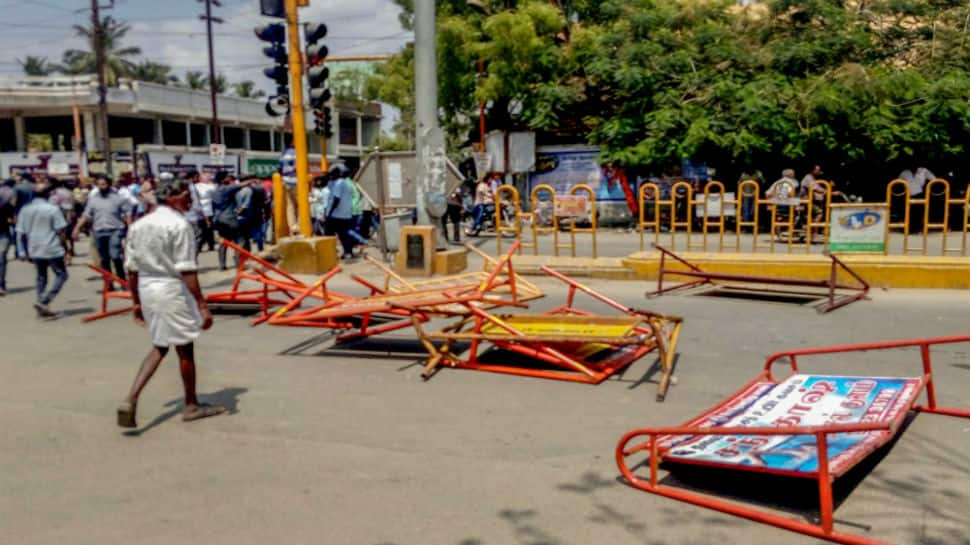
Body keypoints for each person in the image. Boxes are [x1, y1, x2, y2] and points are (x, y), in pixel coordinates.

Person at [116, 176, 225, 429]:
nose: (190, 200)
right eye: (186, 195)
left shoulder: (139, 225)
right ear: (173, 196)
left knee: (161, 344)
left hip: (147, 287)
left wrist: (135, 302)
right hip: (170, 288)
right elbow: (187, 269)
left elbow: (130, 269)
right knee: (182, 348)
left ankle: (134, 399)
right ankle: (189, 405)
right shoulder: (179, 225)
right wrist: (202, 305)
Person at [15, 183, 71, 319]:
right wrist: (66, 248)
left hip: (34, 248)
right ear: (49, 194)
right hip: (52, 247)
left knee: (41, 277)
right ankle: (44, 301)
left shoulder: (25, 210)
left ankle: (42, 307)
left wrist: (21, 251)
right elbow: (61, 231)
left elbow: (19, 233)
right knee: (62, 275)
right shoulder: (53, 209)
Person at [73, 174, 132, 286]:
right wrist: (77, 228)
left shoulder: (118, 199)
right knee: (104, 259)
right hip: (99, 231)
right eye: (99, 185)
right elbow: (86, 215)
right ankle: (108, 284)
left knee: (114, 255)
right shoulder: (93, 200)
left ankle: (122, 280)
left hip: (115, 230)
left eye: (104, 184)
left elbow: (127, 214)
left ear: (109, 184)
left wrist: (131, 229)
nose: (101, 187)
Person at [324, 163, 356, 259]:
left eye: (332, 174)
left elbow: (336, 199)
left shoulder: (339, 183)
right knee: (344, 235)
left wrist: (329, 213)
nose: (330, 176)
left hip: (336, 214)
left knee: (328, 233)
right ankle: (348, 252)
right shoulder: (347, 183)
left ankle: (331, 253)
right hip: (346, 214)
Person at [0, 178, 16, 296]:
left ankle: (1, 284)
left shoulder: (6, 206)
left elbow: (12, 218)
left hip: (4, 233)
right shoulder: (7, 204)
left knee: (2, 259)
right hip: (4, 232)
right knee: (2, 259)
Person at [279, 143, 299, 233]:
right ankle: (299, 226)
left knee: (290, 205)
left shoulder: (283, 154)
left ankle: (292, 227)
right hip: (296, 181)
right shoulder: (298, 153)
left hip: (286, 181)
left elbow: (279, 168)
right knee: (301, 205)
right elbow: (298, 167)